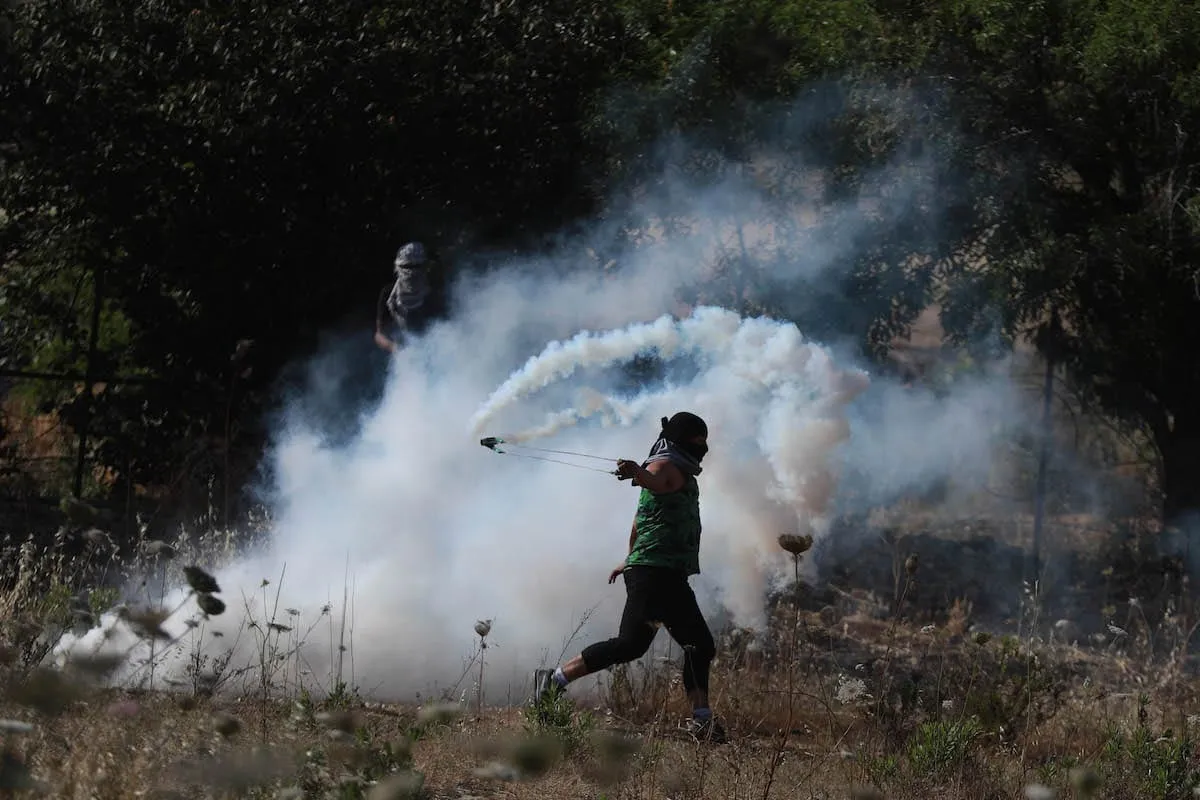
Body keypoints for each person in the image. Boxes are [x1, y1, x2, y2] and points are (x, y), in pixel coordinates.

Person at [532, 411, 727, 744]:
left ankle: (701, 720)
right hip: (656, 575)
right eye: (697, 440)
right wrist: (637, 472)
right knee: (655, 644)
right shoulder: (666, 468)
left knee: (669, 645)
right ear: (680, 440)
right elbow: (656, 480)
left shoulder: (673, 469)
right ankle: (553, 680)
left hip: (659, 573)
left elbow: (639, 523)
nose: (703, 447)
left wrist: (629, 559)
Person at [374, 241, 432, 353]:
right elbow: (379, 335)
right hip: (399, 361)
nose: (411, 271)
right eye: (408, 266)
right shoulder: (388, 294)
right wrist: (394, 348)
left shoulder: (432, 295)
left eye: (416, 266)